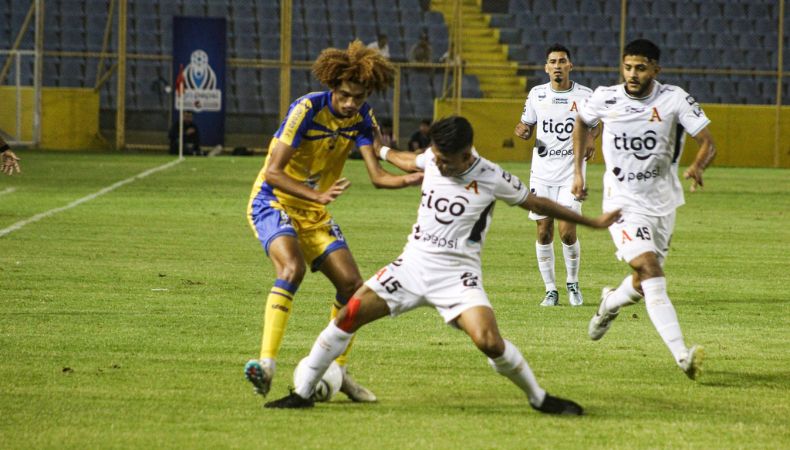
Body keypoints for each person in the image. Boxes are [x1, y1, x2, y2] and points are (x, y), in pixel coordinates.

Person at [264, 116, 621, 412]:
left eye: (445, 159)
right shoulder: (434, 158)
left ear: (467, 154)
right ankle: (301, 394)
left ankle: (540, 399)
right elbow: (409, 160)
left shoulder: (492, 176)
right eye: (435, 155)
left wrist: (591, 222)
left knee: (489, 342)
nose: (437, 163)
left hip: (458, 277)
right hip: (411, 267)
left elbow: (538, 203)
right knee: (348, 316)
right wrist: (382, 149)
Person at [244, 40, 423, 403]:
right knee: (291, 269)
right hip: (272, 202)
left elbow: (377, 174)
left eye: (358, 97)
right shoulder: (306, 109)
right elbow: (274, 173)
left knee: (353, 288)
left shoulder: (362, 118)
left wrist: (415, 177)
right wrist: (317, 195)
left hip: (314, 212)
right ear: (332, 88)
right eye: (344, 95)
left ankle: (337, 369)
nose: (350, 103)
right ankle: (266, 364)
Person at [571, 39, 715, 380]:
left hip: (663, 204)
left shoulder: (674, 99)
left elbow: (708, 141)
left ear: (655, 70)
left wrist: (697, 165)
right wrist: (578, 169)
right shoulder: (606, 96)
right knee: (652, 272)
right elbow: (581, 121)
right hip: (622, 204)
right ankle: (683, 355)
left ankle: (608, 304)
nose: (633, 74)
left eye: (641, 68)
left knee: (640, 284)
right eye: (628, 67)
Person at [514, 44, 599, 307]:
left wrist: (591, 140)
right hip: (541, 174)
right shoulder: (537, 94)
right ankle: (550, 290)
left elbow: (596, 125)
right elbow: (526, 125)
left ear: (570, 66)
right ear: (546, 67)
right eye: (553, 61)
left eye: (563, 61)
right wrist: (523, 131)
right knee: (543, 232)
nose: (558, 65)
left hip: (571, 174)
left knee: (567, 233)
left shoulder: (585, 95)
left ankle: (573, 284)